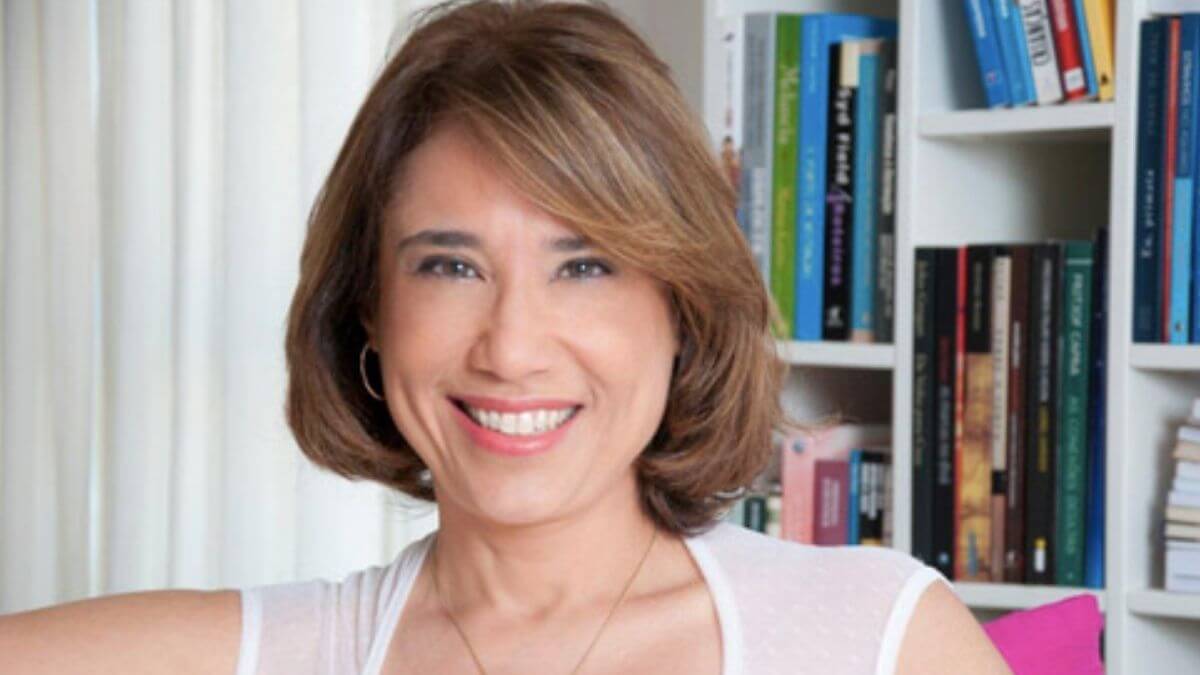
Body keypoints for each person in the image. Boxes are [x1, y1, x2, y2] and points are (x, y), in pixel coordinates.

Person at [0, 1, 1011, 673]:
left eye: (585, 266)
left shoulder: (878, 639)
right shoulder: (283, 652)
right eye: (450, 266)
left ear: (681, 307)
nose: (512, 347)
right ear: (369, 309)